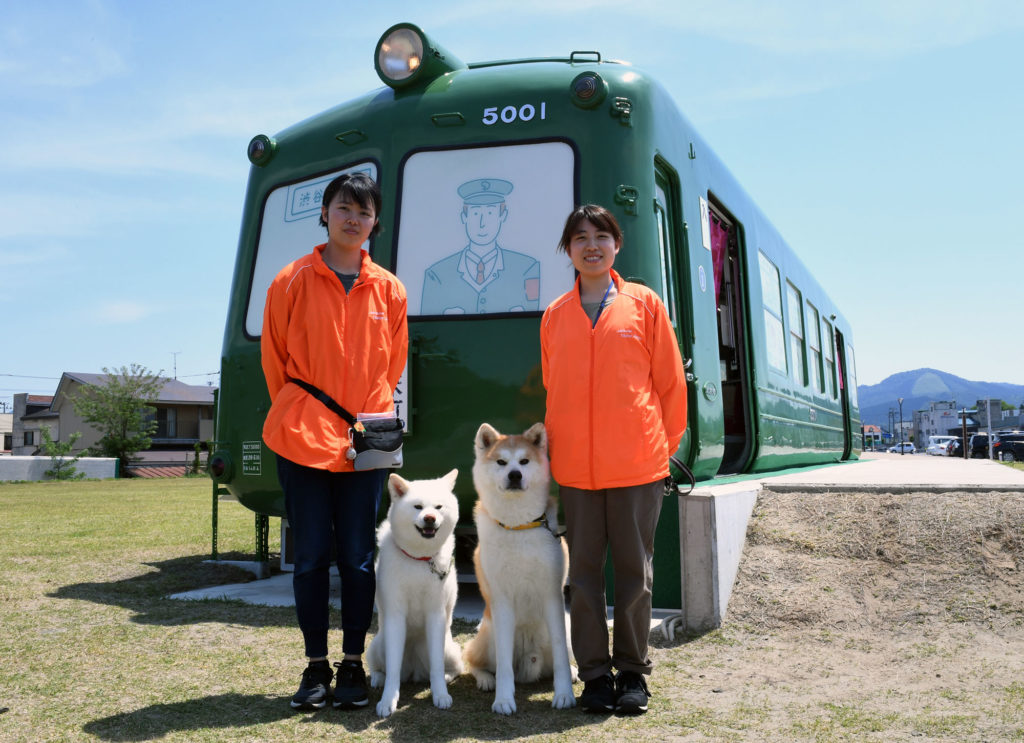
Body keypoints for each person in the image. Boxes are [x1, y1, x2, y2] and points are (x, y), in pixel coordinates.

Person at [261, 172, 408, 711]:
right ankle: (314, 666)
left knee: (358, 556)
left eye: (364, 213)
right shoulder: (291, 279)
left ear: (375, 223)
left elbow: (394, 362)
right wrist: (299, 410)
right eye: (344, 208)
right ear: (324, 213)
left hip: (364, 441)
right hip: (301, 435)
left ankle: (351, 665)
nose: (354, 219)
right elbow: (275, 362)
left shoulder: (389, 288)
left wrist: (364, 416)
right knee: (310, 558)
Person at [540, 204, 687, 715]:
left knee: (634, 573)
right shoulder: (555, 315)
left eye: (601, 236)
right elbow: (552, 389)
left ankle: (632, 673)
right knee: (581, 577)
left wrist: (658, 449)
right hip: (576, 471)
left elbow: (670, 386)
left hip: (637, 468)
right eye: (580, 238)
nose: (591, 245)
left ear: (616, 245)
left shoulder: (645, 305)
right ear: (568, 250)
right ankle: (595, 676)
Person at [420, 177, 540, 315]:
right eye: (475, 213)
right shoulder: (436, 275)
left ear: (503, 215)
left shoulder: (527, 268)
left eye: (490, 213)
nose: (482, 223)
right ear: (464, 216)